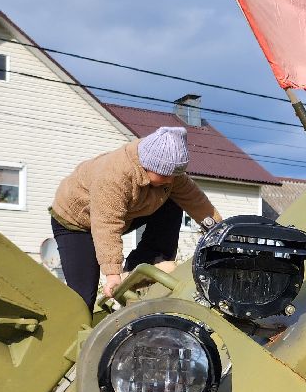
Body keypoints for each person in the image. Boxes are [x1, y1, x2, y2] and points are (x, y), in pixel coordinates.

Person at [50, 126, 220, 307]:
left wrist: (221, 234)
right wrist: (113, 276)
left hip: (126, 213)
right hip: (75, 222)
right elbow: (107, 224)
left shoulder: (170, 176)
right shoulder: (114, 176)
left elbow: (198, 203)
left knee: (175, 199)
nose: (170, 180)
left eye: (174, 175)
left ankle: (147, 261)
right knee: (83, 297)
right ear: (148, 165)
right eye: (165, 175)